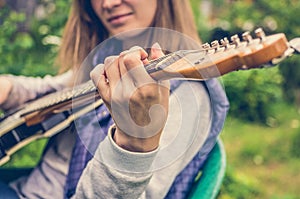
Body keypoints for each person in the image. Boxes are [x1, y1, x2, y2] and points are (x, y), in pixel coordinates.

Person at [0, 0, 229, 198]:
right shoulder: (102, 59)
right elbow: (56, 91)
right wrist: (7, 88)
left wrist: (133, 144)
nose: (108, 4)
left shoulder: (189, 95)